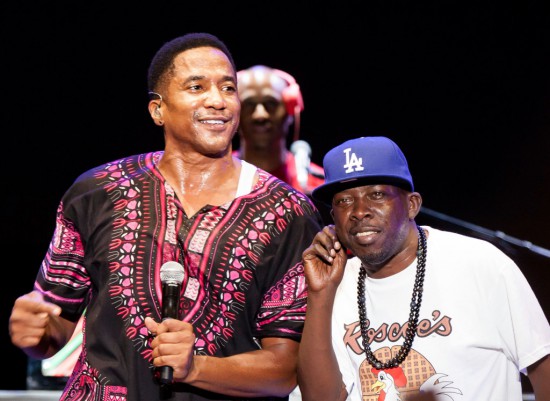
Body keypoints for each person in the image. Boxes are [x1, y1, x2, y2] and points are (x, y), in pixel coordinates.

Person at [8, 32, 324, 401]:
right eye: (196, 87)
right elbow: (56, 326)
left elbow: (286, 370)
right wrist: (37, 333)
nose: (217, 101)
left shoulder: (287, 212)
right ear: (158, 109)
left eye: (227, 88)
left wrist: (197, 368)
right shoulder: (96, 192)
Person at [296, 136, 550, 400]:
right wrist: (320, 294)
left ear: (411, 205)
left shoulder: (480, 264)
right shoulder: (334, 285)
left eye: (377, 195)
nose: (359, 211)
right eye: (344, 201)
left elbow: (544, 369)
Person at [235, 65, 324, 196]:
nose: (260, 115)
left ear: (290, 109)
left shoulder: (317, 186)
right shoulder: (212, 176)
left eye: (271, 103)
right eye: (249, 104)